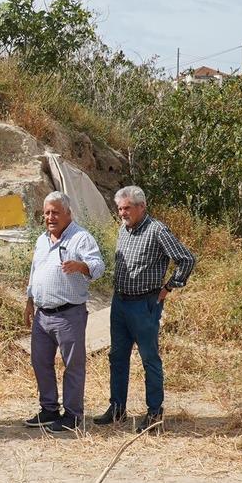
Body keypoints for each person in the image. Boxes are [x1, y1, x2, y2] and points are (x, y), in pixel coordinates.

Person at [95, 185, 196, 433]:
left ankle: (154, 413)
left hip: (145, 304)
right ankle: (117, 408)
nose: (122, 213)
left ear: (142, 207)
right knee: (117, 357)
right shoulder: (123, 229)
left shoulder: (157, 230)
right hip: (119, 303)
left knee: (149, 359)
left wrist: (170, 287)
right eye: (119, 208)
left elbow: (187, 258)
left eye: (127, 208)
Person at [23, 191, 105, 433]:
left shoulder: (81, 238)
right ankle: (49, 409)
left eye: (56, 212)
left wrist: (81, 266)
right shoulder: (41, 240)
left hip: (69, 315)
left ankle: (72, 415)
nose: (50, 217)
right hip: (42, 315)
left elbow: (99, 267)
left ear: (68, 213)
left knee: (73, 366)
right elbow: (34, 271)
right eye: (47, 212)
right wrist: (29, 300)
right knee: (40, 362)